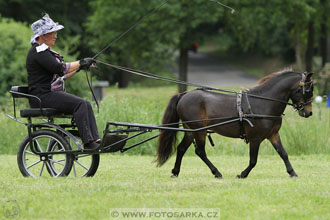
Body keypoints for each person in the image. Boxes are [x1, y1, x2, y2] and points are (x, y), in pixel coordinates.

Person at [26, 13, 100, 150]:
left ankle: (95, 140)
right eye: (52, 33)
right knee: (80, 104)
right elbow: (59, 68)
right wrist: (81, 62)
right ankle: (89, 142)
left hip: (47, 94)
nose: (55, 36)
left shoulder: (44, 51)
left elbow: (61, 77)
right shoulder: (38, 51)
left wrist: (80, 67)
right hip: (42, 96)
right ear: (42, 36)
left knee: (86, 104)